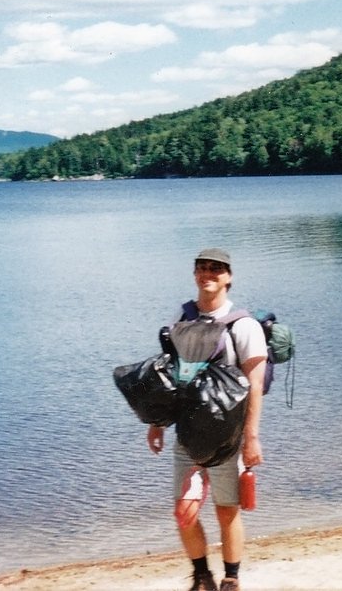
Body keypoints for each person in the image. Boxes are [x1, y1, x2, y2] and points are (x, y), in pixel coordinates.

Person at [147, 248, 268, 591]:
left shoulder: (244, 326)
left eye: (216, 269)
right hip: (187, 431)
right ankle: (201, 575)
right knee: (184, 511)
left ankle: (231, 578)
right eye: (202, 268)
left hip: (227, 436)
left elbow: (254, 386)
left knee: (226, 509)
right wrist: (157, 422)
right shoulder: (183, 317)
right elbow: (170, 375)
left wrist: (252, 438)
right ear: (195, 274)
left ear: (228, 276)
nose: (208, 274)